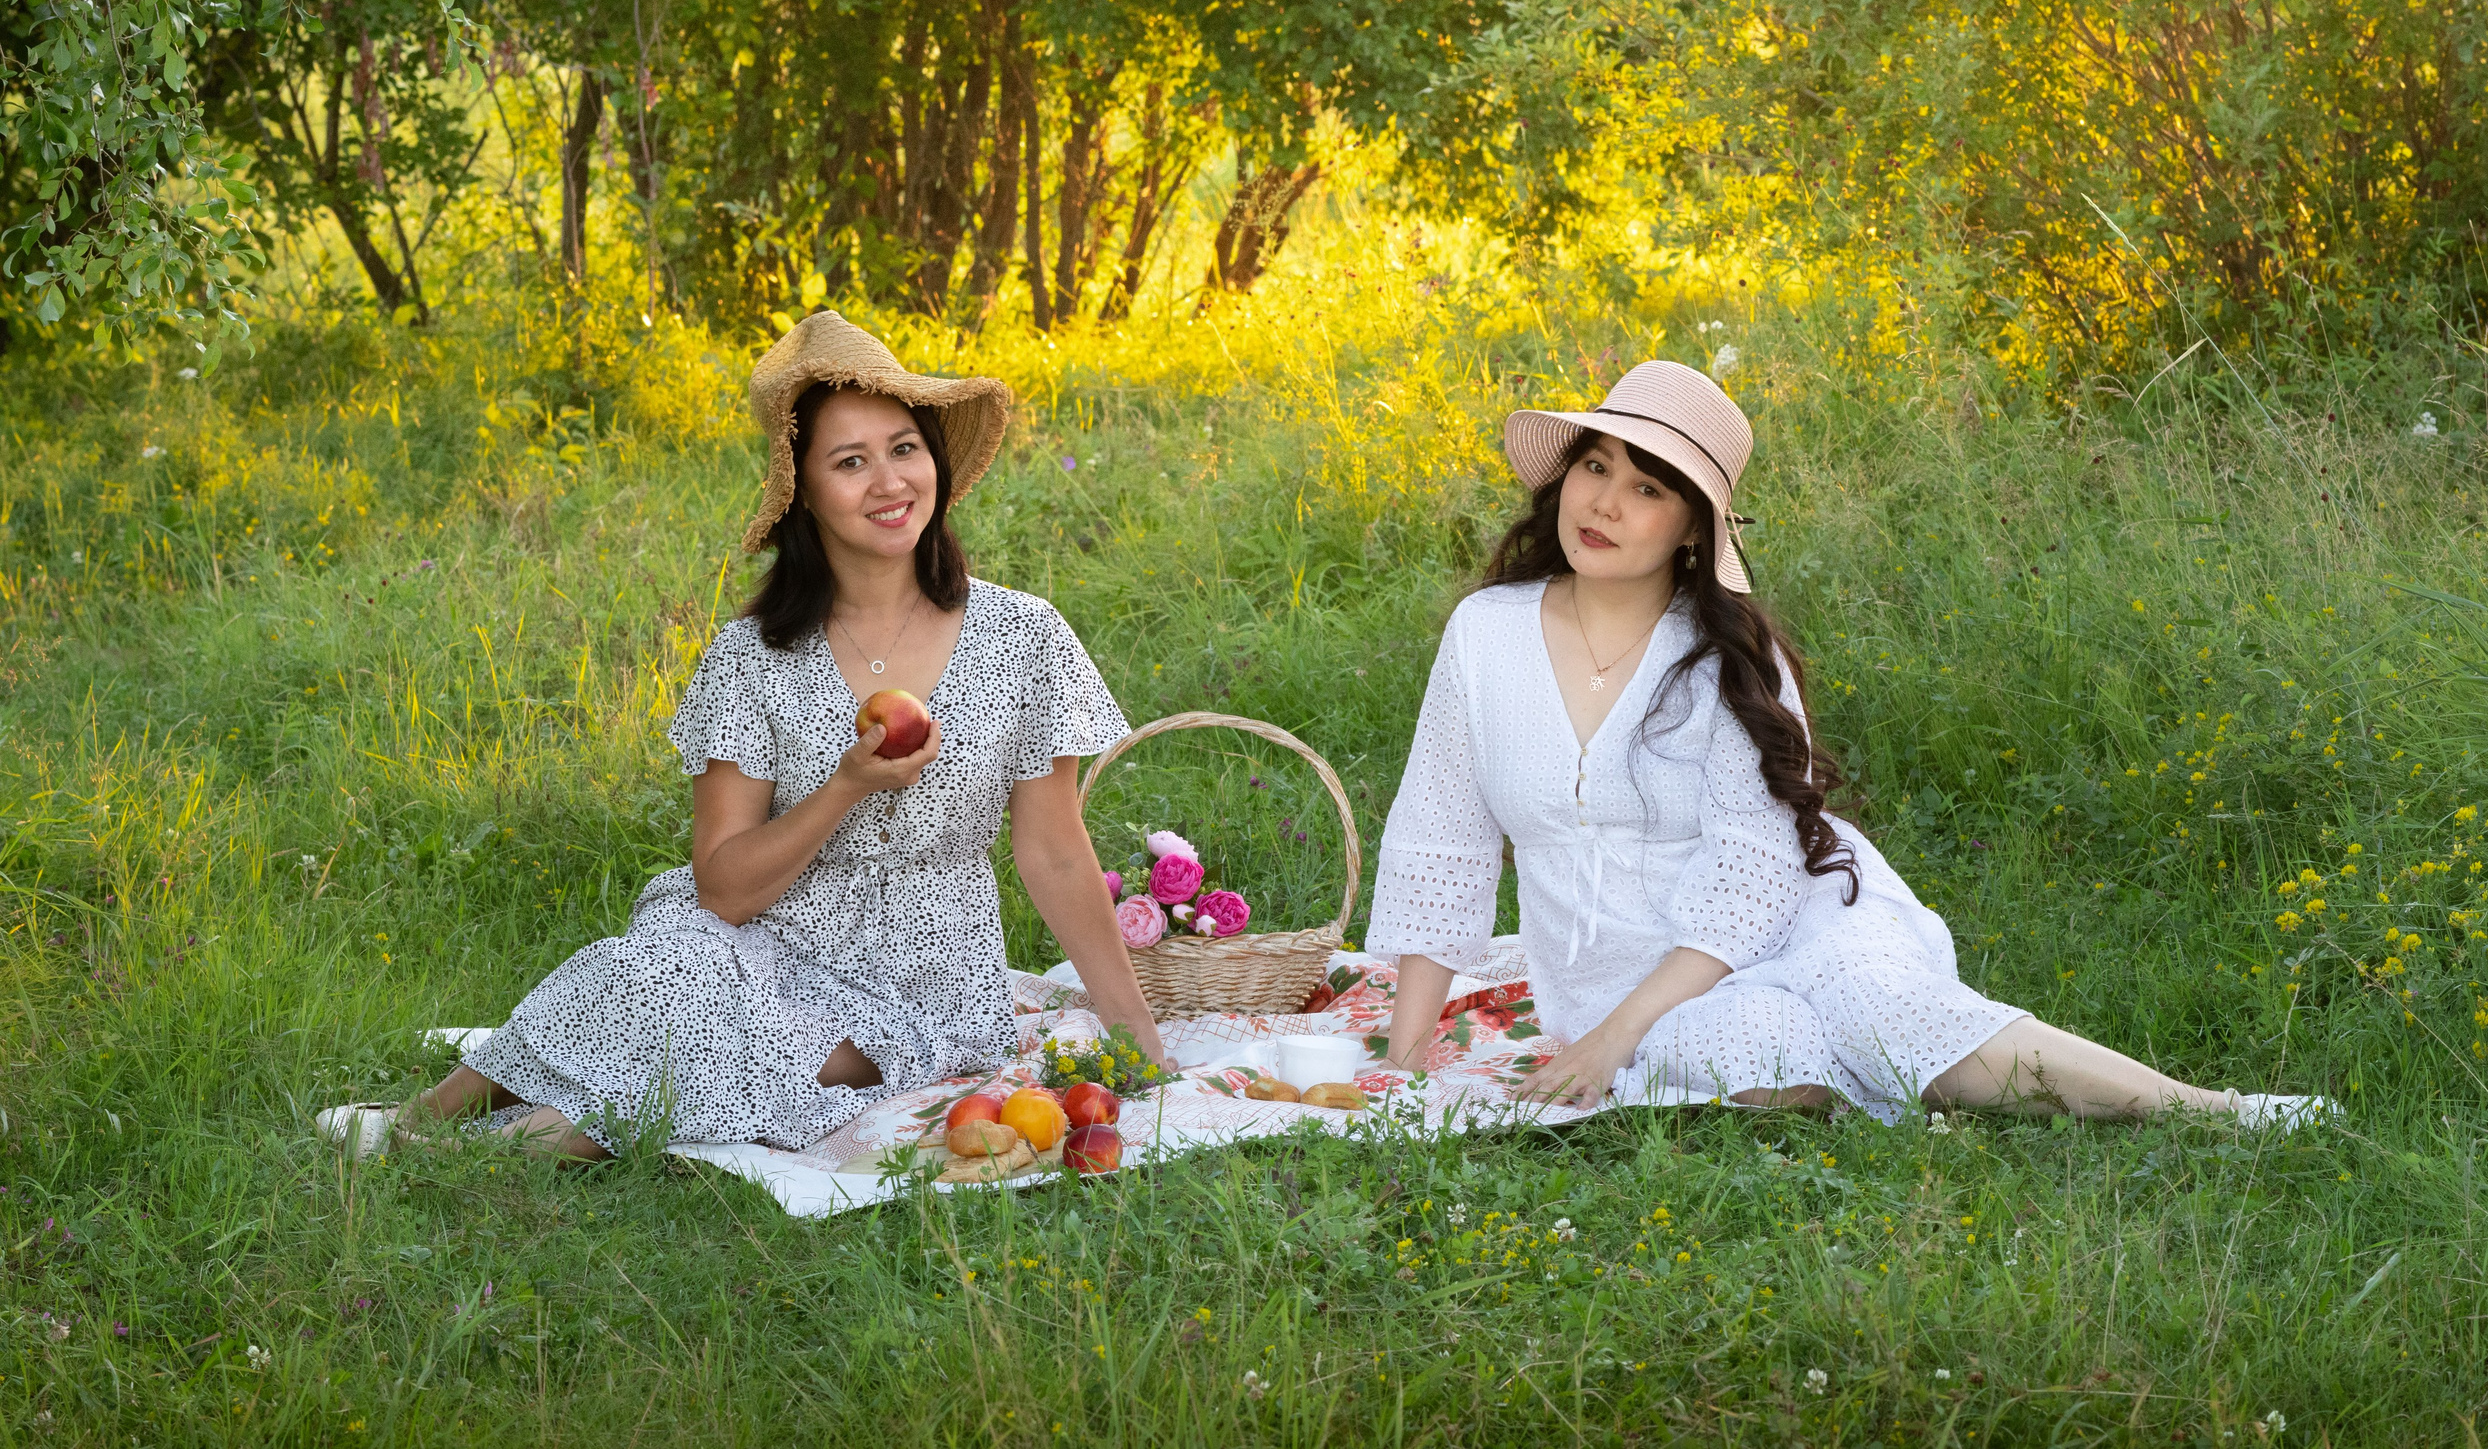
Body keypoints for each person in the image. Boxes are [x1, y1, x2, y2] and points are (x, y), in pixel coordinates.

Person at [1368, 360, 2328, 1128]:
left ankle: (2214, 1111)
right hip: (1617, 980)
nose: (1605, 504)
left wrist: (1616, 1039)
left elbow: (1753, 873)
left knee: (1881, 1015)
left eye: (1647, 487)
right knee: (1761, 1065)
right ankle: (1860, 1087)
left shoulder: (1725, 659)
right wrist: (1406, 1069)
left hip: (1786, 915)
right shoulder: (1486, 634)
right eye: (1595, 466)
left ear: (1693, 530)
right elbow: (1439, 840)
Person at [334, 312, 1166, 1160]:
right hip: (759, 942)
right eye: (850, 461)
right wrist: (846, 786)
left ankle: (443, 1159)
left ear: (937, 463)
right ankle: (420, 1121)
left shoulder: (1022, 635)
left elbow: (1056, 853)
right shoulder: (752, 658)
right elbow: (725, 891)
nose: (888, 481)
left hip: (926, 995)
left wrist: (1134, 1031)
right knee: (659, 974)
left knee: (719, 1052)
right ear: (803, 491)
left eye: (904, 447)